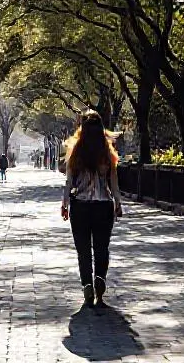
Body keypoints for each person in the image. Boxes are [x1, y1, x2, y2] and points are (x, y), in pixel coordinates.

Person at [61, 109, 123, 308]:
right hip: (103, 206)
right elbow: (113, 182)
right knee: (101, 248)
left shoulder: (76, 151)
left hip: (80, 206)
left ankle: (87, 284)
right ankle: (100, 281)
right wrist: (118, 203)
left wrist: (65, 204)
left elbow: (69, 181)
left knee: (83, 251)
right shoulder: (107, 153)